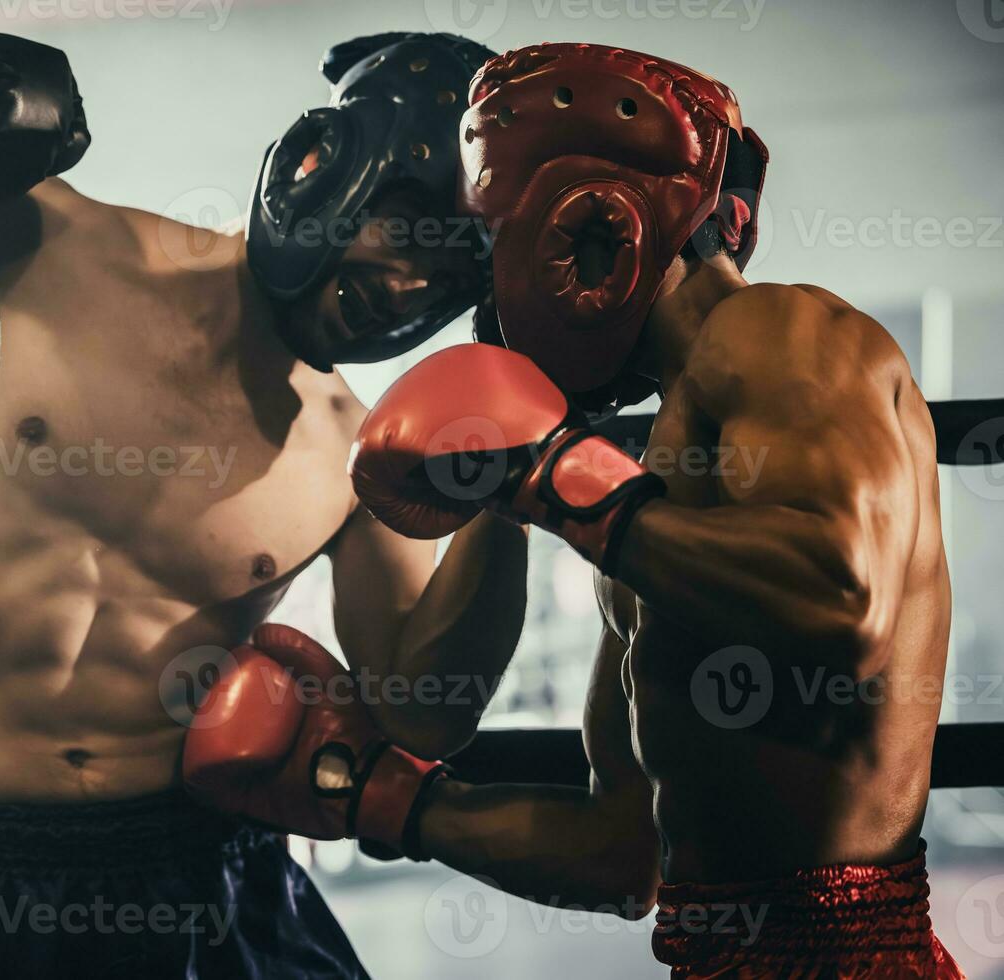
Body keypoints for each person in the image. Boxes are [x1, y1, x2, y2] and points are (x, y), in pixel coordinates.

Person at [0, 29, 529, 978]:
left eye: (452, 271)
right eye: (408, 228)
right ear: (323, 166)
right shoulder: (56, 244)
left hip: (206, 881)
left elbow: (425, 713)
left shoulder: (357, 449)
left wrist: (521, 475)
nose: (407, 284)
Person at [187, 43, 963, 978]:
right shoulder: (653, 498)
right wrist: (383, 801)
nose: (490, 299)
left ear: (593, 236)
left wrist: (550, 474)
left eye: (497, 249)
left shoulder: (780, 331)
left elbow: (842, 601)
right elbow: (618, 855)